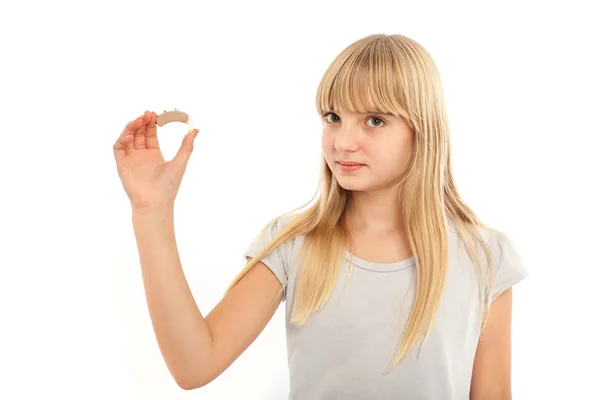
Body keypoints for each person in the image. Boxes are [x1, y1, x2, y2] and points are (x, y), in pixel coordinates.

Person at [113, 33, 528, 399]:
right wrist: (151, 212)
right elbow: (193, 365)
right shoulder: (293, 244)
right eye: (333, 117)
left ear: (423, 129)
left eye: (374, 120)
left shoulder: (484, 257)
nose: (344, 141)